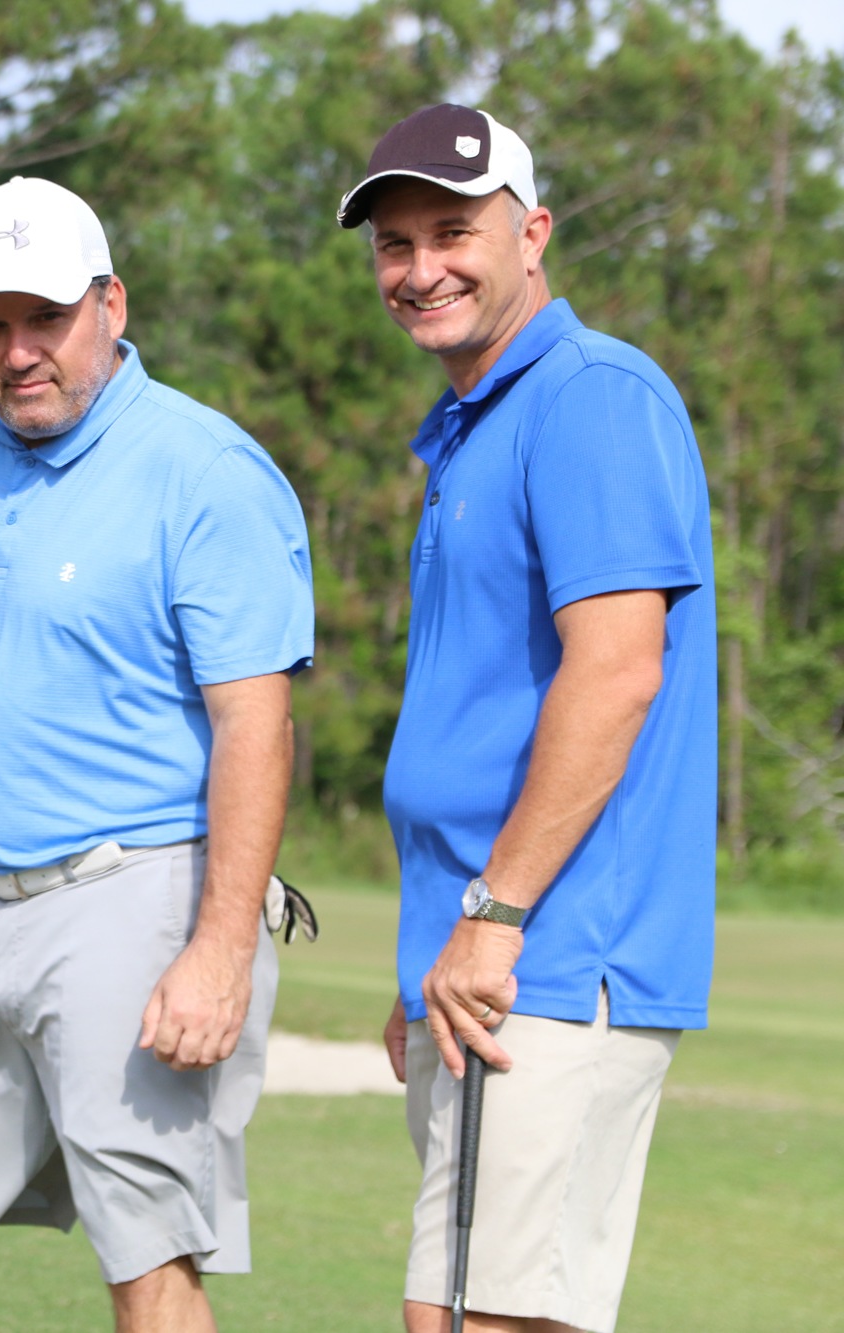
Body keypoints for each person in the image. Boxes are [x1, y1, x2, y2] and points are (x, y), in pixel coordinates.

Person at [0, 175, 315, 1332]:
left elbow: (254, 722)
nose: (16, 352)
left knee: (147, 1254)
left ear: (110, 305)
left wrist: (219, 948)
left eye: (44, 318)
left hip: (137, 892)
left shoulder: (203, 469)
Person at [336, 104, 718, 1333]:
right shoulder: (474, 424)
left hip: (549, 954)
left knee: (471, 1319)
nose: (418, 268)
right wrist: (429, 953)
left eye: (453, 231)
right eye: (392, 245)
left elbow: (614, 673)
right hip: (486, 956)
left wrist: (492, 920)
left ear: (531, 232)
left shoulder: (589, 397)